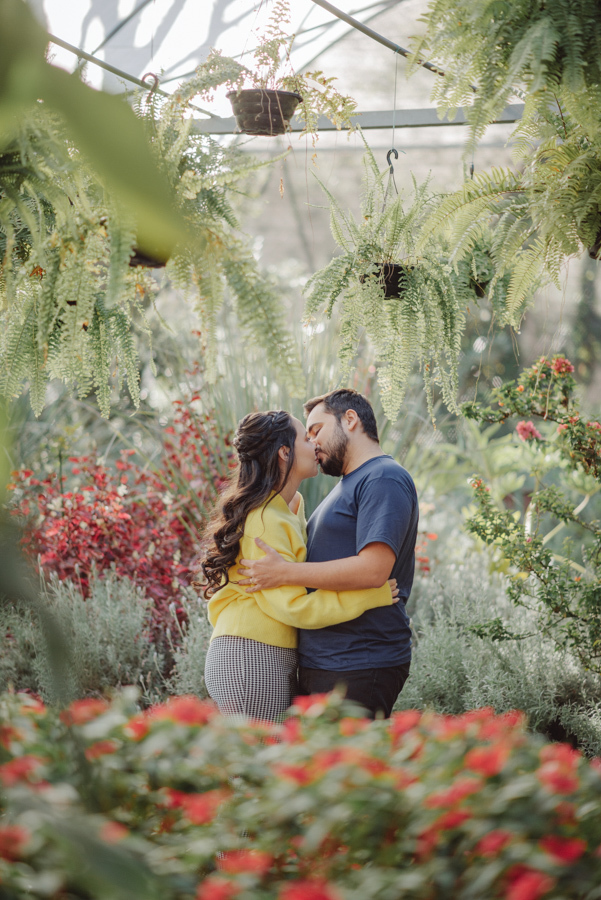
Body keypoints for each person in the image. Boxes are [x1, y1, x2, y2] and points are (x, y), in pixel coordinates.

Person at [201, 409, 400, 723]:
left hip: (260, 653)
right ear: (285, 452)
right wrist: (369, 596)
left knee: (271, 762)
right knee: (266, 763)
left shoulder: (278, 512)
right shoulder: (266, 518)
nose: (316, 444)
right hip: (250, 654)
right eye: (307, 438)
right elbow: (295, 607)